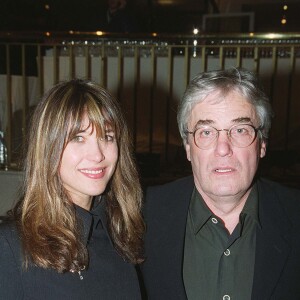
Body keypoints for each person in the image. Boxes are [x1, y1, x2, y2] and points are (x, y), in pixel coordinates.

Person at [141, 68, 300, 299]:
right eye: (206, 132)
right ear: (188, 147)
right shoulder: (141, 217)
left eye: (240, 130)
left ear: (262, 144)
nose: (223, 148)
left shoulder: (295, 216)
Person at [0, 79, 144, 299]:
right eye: (78, 138)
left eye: (107, 136)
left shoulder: (119, 237)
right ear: (48, 147)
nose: (98, 155)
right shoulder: (10, 247)